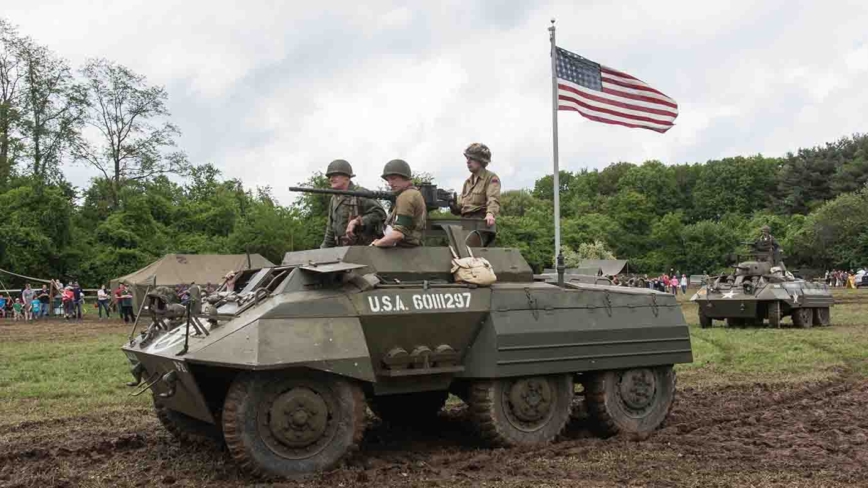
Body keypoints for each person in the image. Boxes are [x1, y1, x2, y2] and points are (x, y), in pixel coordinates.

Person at [320, 159, 387, 248]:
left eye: (335, 176)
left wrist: (358, 221)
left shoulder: (360, 193)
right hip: (342, 249)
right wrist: (323, 252)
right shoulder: (334, 198)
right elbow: (330, 230)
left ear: (347, 178)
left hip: (363, 249)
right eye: (329, 177)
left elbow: (380, 213)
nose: (331, 179)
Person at [449, 143, 501, 247]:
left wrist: (490, 214)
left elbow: (493, 198)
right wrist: (452, 203)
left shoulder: (491, 178)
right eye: (467, 158)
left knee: (465, 249)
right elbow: (461, 206)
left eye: (471, 158)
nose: (468, 161)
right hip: (465, 223)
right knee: (452, 249)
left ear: (481, 161)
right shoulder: (468, 182)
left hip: (480, 223)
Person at [372, 159, 426, 248]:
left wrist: (376, 244)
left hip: (403, 251)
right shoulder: (412, 193)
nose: (390, 183)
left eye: (393, 178)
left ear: (405, 177)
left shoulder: (406, 196)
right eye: (388, 180)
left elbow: (398, 234)